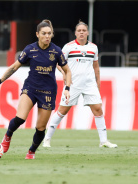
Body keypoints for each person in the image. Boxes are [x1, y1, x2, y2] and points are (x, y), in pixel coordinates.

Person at [0, 19, 71, 159]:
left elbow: (67, 71)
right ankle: (8, 135)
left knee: (40, 128)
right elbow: (14, 67)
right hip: (30, 88)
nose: (47, 36)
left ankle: (31, 151)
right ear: (37, 34)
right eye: (44, 33)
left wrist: (67, 88)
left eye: (49, 33)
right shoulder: (29, 49)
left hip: (48, 92)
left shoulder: (56, 51)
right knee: (20, 118)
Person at [43, 20, 117, 148]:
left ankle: (103, 141)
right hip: (73, 84)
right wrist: (64, 74)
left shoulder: (93, 47)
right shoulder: (68, 47)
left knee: (98, 109)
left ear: (87, 32)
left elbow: (96, 68)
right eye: (79, 31)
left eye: (84, 30)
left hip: (89, 84)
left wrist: (97, 85)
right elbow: (57, 63)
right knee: (62, 110)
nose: (81, 33)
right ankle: (46, 139)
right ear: (75, 33)